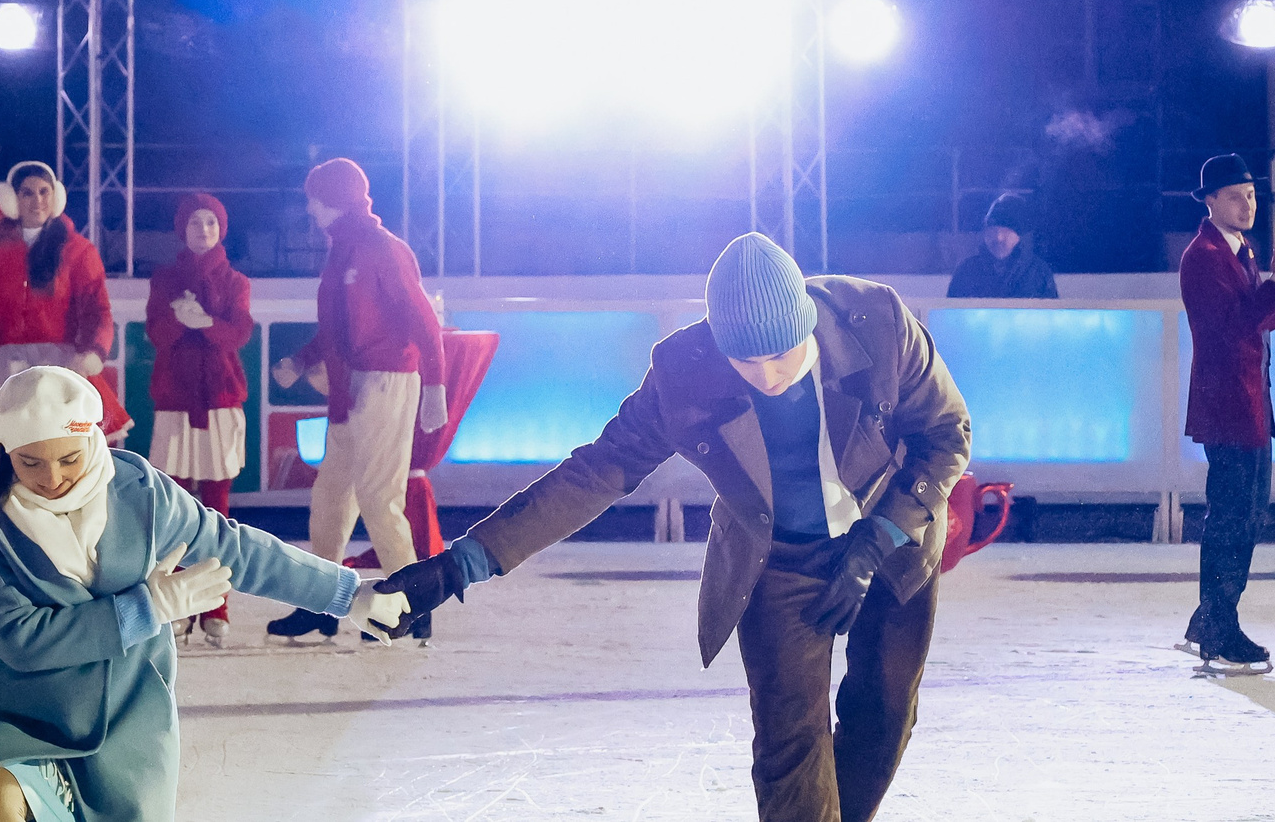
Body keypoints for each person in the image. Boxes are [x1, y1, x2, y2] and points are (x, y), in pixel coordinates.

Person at [382, 231, 972, 822]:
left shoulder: (880, 325)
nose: (767, 376)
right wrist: (464, 562)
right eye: (746, 360)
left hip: (893, 541)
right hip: (778, 561)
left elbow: (948, 434)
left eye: (783, 355)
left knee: (885, 713)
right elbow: (598, 470)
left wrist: (882, 537)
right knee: (789, 743)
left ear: (809, 324)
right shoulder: (684, 372)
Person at [0, 366, 388, 822]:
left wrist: (348, 594)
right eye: (30, 462)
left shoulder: (140, 492)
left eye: (69, 459)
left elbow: (236, 549)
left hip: (127, 723)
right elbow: (20, 638)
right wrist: (146, 609)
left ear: (93, 440)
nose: (53, 478)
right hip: (19, 718)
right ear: (4, 450)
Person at [266, 156, 448, 642]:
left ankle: (412, 603)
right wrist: (304, 360)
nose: (309, 207)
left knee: (377, 497)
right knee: (330, 500)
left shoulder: (382, 250)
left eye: (315, 197)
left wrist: (435, 385)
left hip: (387, 381)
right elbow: (338, 325)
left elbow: (423, 320)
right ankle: (323, 604)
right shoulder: (345, 249)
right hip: (351, 386)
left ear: (335, 199)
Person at [1178, 153, 1275, 674]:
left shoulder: (1236, 250)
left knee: (1244, 515)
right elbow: (1235, 325)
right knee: (1233, 517)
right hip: (1228, 404)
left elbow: (1257, 321)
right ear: (1210, 201)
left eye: (1251, 194)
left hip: (1247, 403)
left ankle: (1214, 621)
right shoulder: (1203, 256)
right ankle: (1218, 628)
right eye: (1235, 195)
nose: (1248, 203)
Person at [141, 191, 254, 647]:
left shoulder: (235, 280)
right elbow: (156, 332)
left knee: (217, 508)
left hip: (220, 400)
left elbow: (238, 333)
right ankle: (177, 602)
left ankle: (216, 604)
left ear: (220, 228)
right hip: (175, 399)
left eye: (209, 223)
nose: (202, 231)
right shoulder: (165, 278)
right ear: (182, 230)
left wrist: (205, 322)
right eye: (194, 224)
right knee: (174, 507)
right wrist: (179, 320)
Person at [0, 161, 123, 433]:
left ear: (56, 196)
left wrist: (94, 350)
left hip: (61, 367)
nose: (37, 200)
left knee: (57, 444)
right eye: (27, 193)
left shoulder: (78, 250)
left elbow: (97, 309)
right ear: (12, 200)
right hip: (4, 368)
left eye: (44, 191)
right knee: (8, 449)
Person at [944, 193, 1059, 299]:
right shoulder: (966, 272)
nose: (998, 237)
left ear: (1019, 236)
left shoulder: (1039, 273)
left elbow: (1050, 316)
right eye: (992, 230)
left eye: (1006, 231)